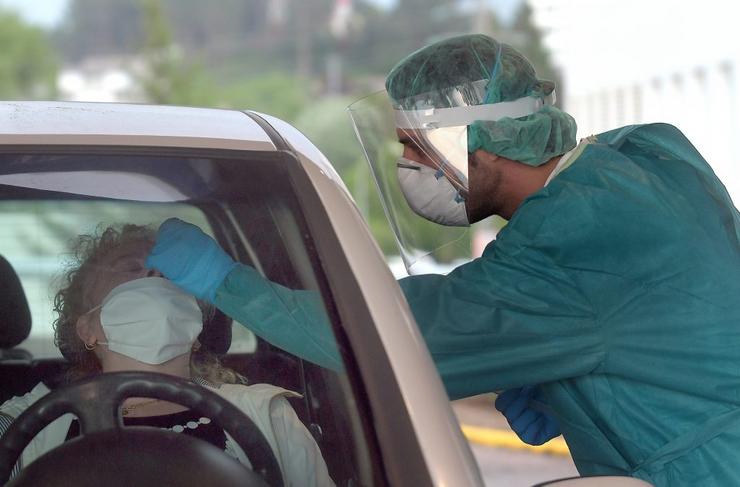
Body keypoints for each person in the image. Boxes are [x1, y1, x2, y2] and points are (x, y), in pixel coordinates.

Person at [145, 34, 740, 486]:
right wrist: (591, 373)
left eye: (415, 144)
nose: (407, 163)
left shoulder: (566, 248)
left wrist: (219, 277)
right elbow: (677, 304)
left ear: (477, 138)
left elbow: (385, 336)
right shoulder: (639, 163)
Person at [0, 224, 334, 487]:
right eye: (130, 267)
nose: (154, 275)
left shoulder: (267, 414)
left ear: (196, 323)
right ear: (85, 327)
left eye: (168, 272)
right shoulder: (24, 423)